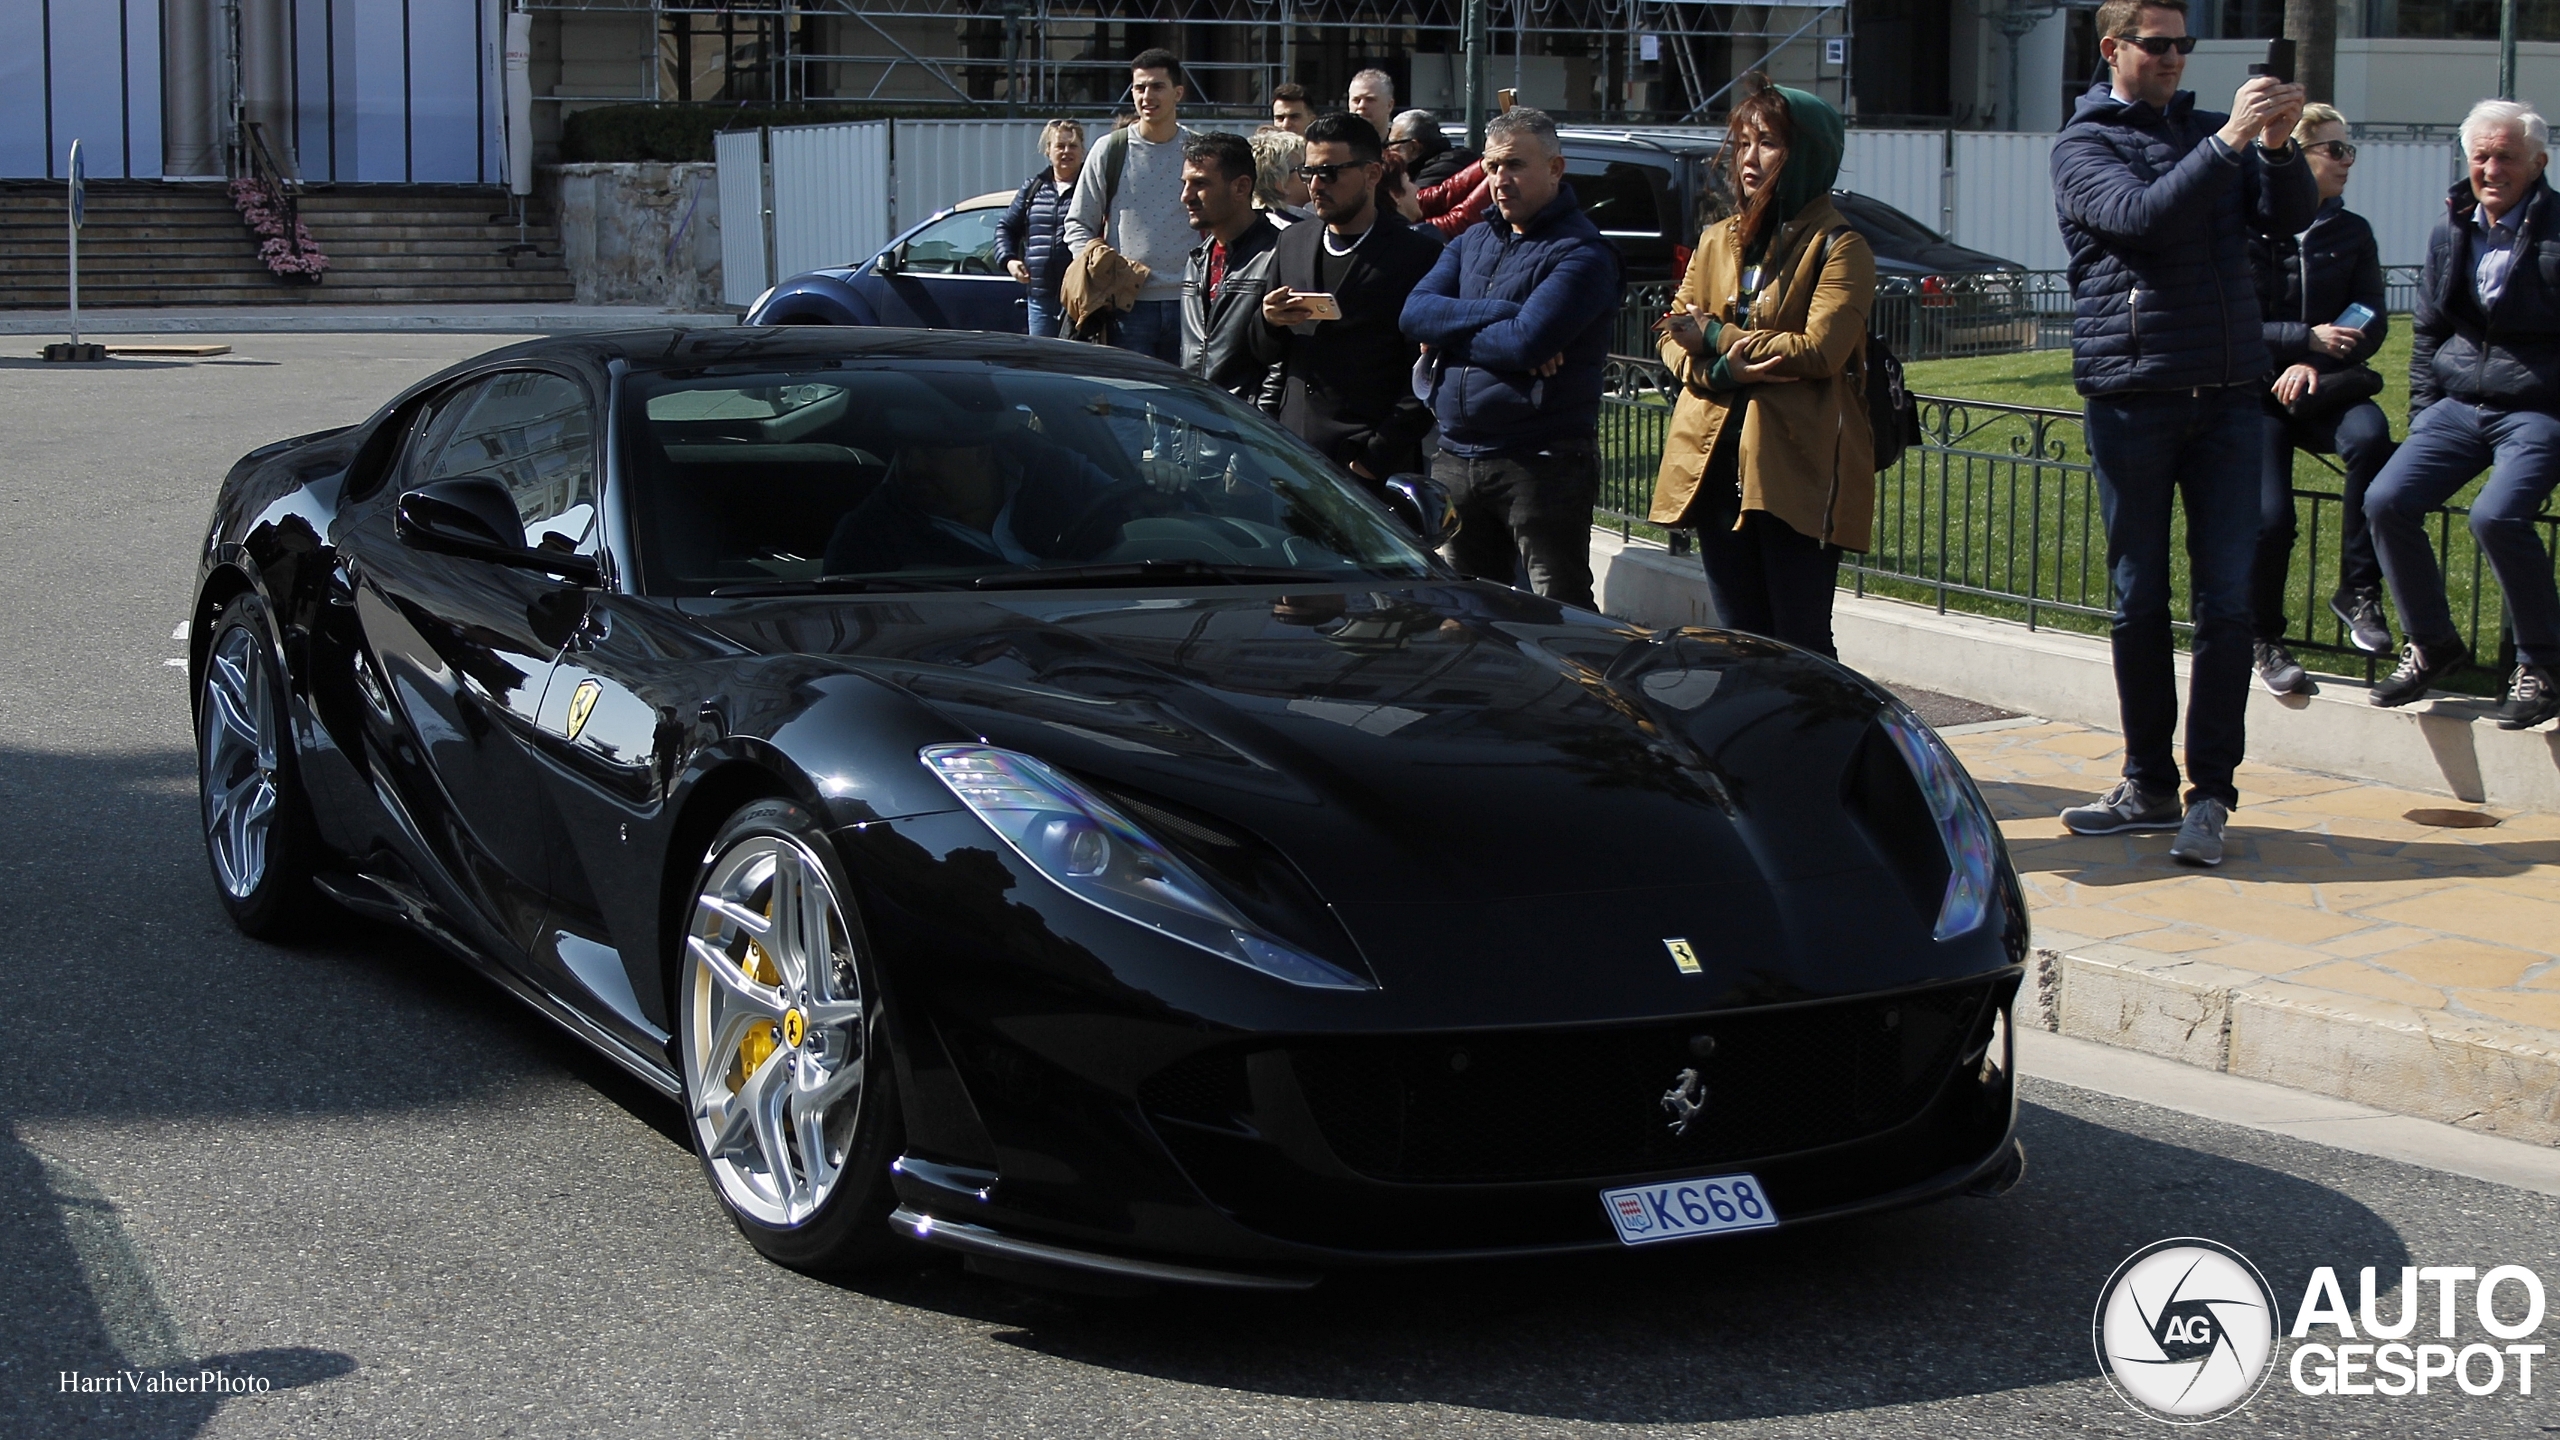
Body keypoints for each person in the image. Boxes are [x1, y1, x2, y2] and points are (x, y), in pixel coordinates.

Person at [2048, 0, 2314, 866]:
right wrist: (2231, 142)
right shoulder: (2082, 144)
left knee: (2228, 604)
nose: (2174, 60)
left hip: (2230, 397)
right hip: (2135, 395)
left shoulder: (2217, 134)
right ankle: (2148, 781)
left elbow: (2285, 220)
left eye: (2184, 46)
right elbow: (2145, 219)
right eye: (2158, 46)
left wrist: (2275, 147)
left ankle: (2213, 793)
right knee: (2139, 598)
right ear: (2114, 48)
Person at [1647, 82, 1874, 661]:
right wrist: (1720, 373)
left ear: (1808, 152)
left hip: (1794, 467)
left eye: (1768, 142)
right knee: (1740, 636)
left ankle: (1820, 748)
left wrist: (1719, 337)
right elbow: (1672, 335)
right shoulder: (1717, 238)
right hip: (1714, 464)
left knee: (1799, 641)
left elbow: (1820, 349)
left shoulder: (1840, 245)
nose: (1748, 158)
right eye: (1743, 142)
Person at [2364, 99, 2560, 729]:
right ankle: (2433, 647)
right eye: (2481, 156)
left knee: (2496, 516)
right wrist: (2425, 413)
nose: (2492, 168)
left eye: (2506, 157)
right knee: (2386, 500)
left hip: (2538, 409)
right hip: (2457, 404)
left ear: (2538, 163)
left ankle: (2543, 666)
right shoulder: (2451, 230)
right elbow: (2426, 330)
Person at [1401, 106, 1623, 609]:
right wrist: (1500, 312)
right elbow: (1415, 314)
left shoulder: (1583, 253)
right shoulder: (1473, 239)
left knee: (1555, 610)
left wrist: (1451, 334)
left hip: (1539, 461)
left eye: (1515, 165)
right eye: (1492, 166)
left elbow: (1526, 343)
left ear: (1555, 168)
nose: (1501, 179)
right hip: (1458, 455)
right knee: (1471, 614)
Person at [2247, 102, 2395, 694]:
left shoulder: (2351, 231)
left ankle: (2358, 591)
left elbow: (2370, 316)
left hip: (2326, 385)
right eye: (2334, 149)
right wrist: (2297, 340)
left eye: (2348, 148)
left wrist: (2313, 360)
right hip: (2257, 394)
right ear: (2295, 156)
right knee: (2270, 519)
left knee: (2371, 438)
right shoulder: (2250, 228)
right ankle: (2262, 637)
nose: (2346, 160)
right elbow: (2229, 320)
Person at [1252, 113, 1444, 482]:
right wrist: (1268, 321)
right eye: (1308, 173)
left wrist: (1375, 457)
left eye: (1330, 172)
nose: (1316, 185)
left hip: (1367, 464)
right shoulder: (1293, 242)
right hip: (1295, 453)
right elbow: (1264, 353)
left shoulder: (1415, 255)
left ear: (1372, 174)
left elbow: (1425, 375)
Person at [1064, 49, 1200, 363]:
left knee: (1185, 406)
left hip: (1190, 302)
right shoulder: (1110, 149)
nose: (1146, 96)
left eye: (1157, 87)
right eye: (1139, 88)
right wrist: (1099, 272)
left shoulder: (1198, 150)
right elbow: (1077, 223)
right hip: (1127, 306)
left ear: (1178, 93)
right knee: (1131, 405)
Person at [1180, 132, 1285, 405]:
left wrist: (1260, 432)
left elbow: (1281, 365)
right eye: (1185, 183)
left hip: (1247, 435)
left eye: (1200, 184)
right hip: (1197, 426)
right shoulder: (1197, 260)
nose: (1185, 196)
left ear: (1241, 187)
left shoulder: (1278, 257)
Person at [994, 119, 1086, 339]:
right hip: (1039, 297)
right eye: (1060, 146)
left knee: (1077, 362)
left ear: (1084, 150)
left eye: (1073, 146)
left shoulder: (1092, 187)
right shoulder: (1033, 188)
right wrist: (1009, 260)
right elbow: (1005, 228)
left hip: (1080, 297)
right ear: (1048, 150)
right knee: (1043, 364)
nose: (1066, 152)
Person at [1389, 109, 1477, 188]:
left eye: (1391, 144)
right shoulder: (1451, 161)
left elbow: (1409, 203)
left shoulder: (1435, 174)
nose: (1388, 150)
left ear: (1413, 148)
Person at [1249, 127, 1313, 226]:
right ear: (1280, 185)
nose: (1314, 174)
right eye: (1304, 168)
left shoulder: (1256, 223)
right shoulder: (1285, 231)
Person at [1348, 69, 1396, 141]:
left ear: (1389, 105)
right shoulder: (1335, 146)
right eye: (1356, 100)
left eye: (1370, 100)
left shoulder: (1404, 148)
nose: (1361, 106)